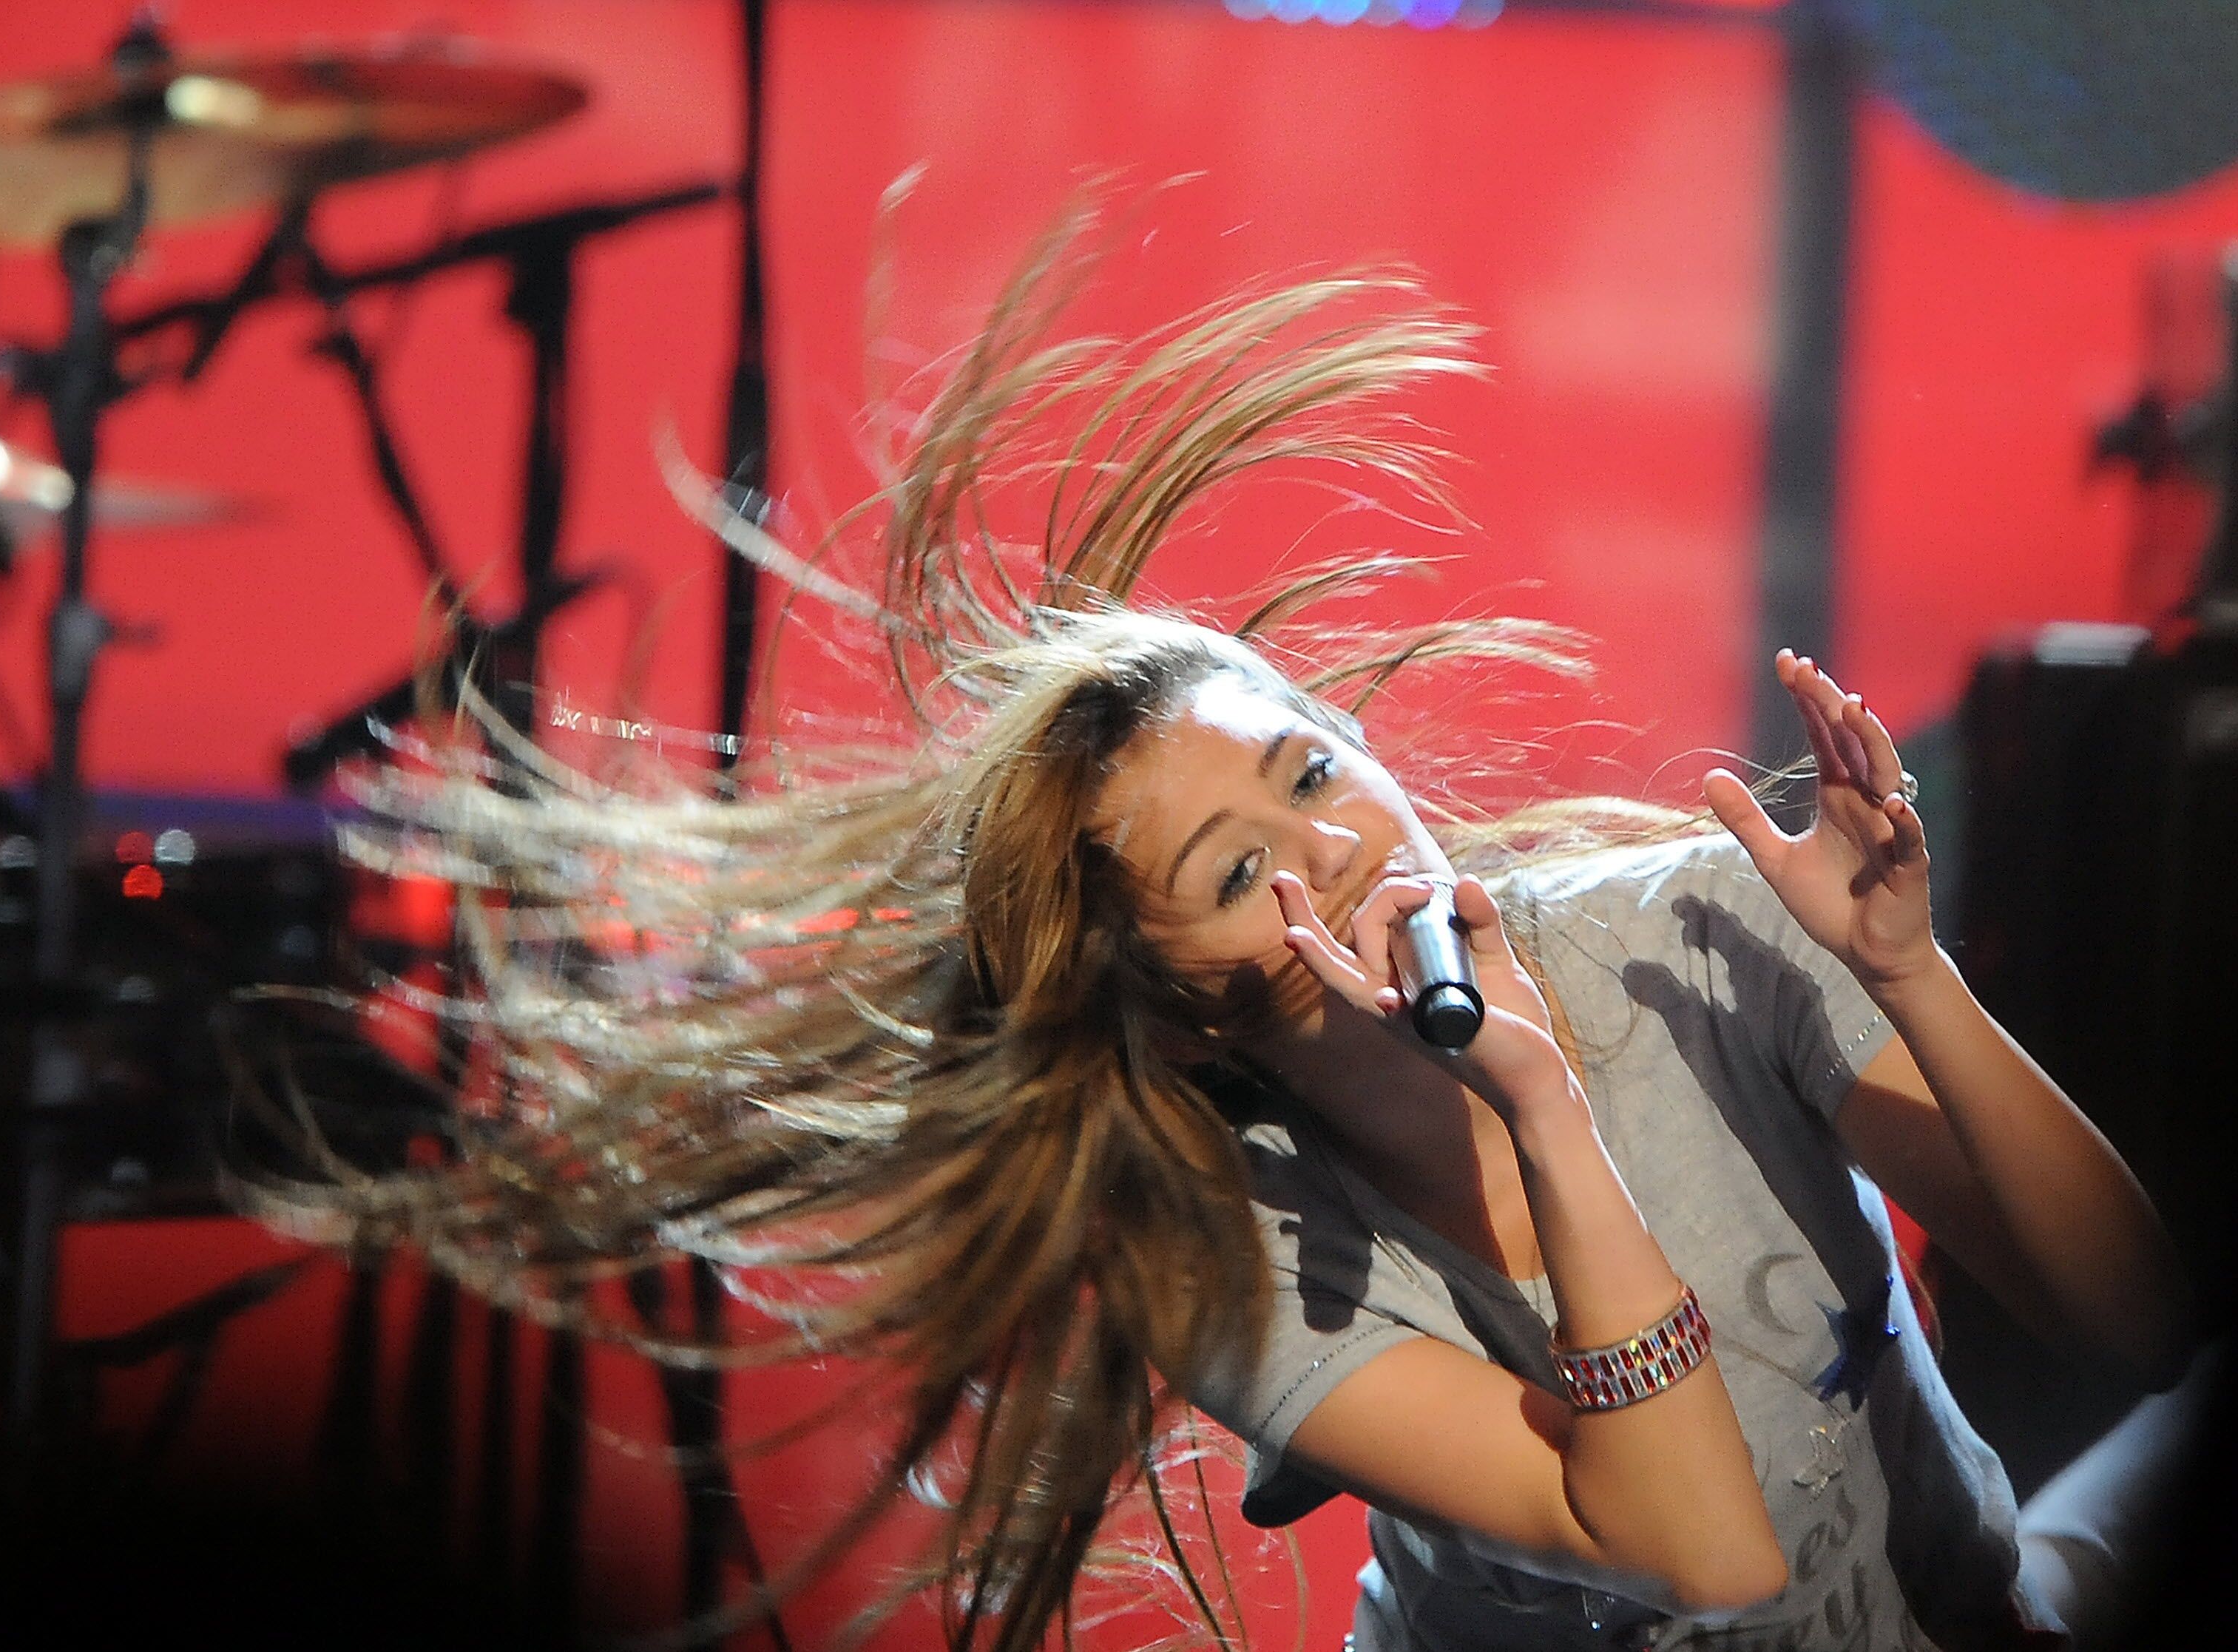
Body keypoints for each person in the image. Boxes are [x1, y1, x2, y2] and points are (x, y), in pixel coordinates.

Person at [285, 210, 2199, 1652]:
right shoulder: (1232, 1256)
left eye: (1312, 770)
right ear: (1188, 1014)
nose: (1335, 848)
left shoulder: (1687, 929)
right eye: (1232, 875)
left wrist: (1905, 971)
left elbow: (2131, 1319)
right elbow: (1708, 1552)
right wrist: (1544, 1109)